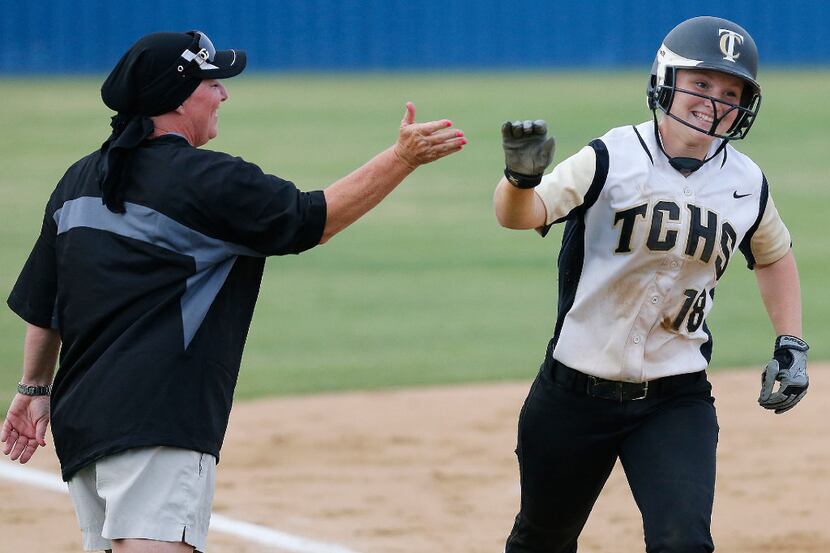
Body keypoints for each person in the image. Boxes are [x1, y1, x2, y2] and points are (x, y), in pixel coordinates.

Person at [1, 30, 465, 553]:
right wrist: (402, 158)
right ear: (178, 98)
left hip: (82, 422)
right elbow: (316, 219)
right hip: (158, 422)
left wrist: (33, 389)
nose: (223, 93)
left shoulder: (79, 180)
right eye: (212, 82)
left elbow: (45, 303)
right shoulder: (206, 181)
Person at [494, 16, 808, 553]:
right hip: (574, 392)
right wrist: (519, 179)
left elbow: (774, 255)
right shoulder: (610, 156)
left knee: (683, 542)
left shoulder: (746, 182)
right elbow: (519, 215)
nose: (715, 101)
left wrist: (790, 340)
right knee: (542, 539)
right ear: (666, 80)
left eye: (731, 92)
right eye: (701, 84)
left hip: (675, 396)